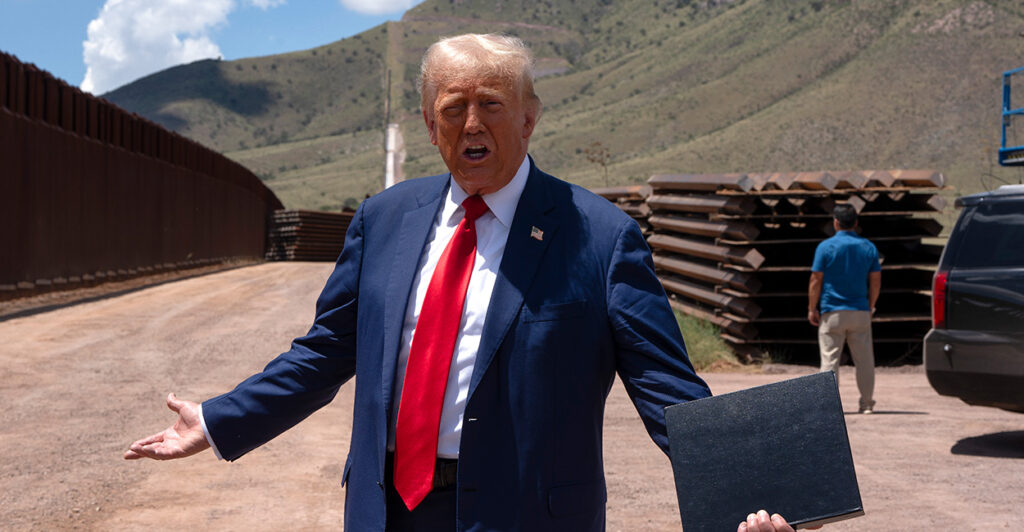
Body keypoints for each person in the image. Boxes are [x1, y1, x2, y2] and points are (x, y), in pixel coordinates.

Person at [126, 33, 803, 532]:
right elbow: (324, 354)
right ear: (430, 125)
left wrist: (761, 494)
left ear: (530, 117)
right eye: (454, 107)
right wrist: (217, 420)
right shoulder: (384, 220)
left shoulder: (597, 237)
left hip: (527, 517)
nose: (472, 123)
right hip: (388, 511)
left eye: (492, 104)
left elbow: (669, 392)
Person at [808, 204, 882, 414]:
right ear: (856, 223)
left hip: (832, 312)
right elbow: (876, 280)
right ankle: (866, 404)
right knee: (865, 360)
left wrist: (812, 308)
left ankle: (829, 406)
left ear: (835, 222)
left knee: (829, 361)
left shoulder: (825, 247)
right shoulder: (868, 247)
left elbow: (816, 280)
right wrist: (871, 305)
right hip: (860, 310)